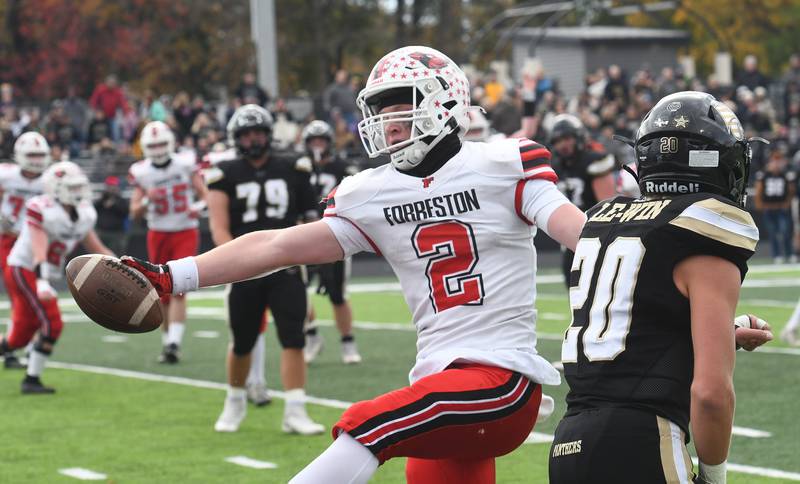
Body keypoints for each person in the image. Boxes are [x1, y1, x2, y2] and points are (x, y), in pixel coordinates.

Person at [122, 45, 589, 484]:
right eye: (380, 108)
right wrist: (171, 276)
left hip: (501, 380)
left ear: (443, 101)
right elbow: (276, 246)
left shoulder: (502, 164)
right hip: (441, 382)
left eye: (398, 103)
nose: (386, 119)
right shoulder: (372, 192)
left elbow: (586, 239)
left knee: (368, 425)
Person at [548, 91, 773, 484]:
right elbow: (710, 393)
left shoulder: (604, 218)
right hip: (642, 442)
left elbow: (636, 332)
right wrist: (714, 477)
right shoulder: (705, 228)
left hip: (568, 444)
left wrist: (725, 333)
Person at [201, 104, 323, 434]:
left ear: (268, 134)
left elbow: (310, 218)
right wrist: (235, 262)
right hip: (245, 268)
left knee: (293, 338)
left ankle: (295, 409)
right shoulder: (223, 173)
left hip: (285, 266)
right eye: (246, 134)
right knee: (242, 341)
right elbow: (219, 228)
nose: (253, 139)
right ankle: (235, 400)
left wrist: (303, 255)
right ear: (236, 138)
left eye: (258, 132)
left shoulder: (293, 167)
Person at [0, 161, 114, 393]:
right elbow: (39, 249)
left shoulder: (85, 213)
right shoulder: (41, 208)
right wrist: (42, 281)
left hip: (40, 274)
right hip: (25, 268)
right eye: (71, 188)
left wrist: (124, 265)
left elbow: (96, 246)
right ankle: (31, 380)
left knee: (19, 337)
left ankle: (24, 368)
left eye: (79, 187)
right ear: (55, 188)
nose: (78, 192)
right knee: (53, 323)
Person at [128, 121, 207, 364]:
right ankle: (167, 343)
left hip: (185, 230)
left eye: (162, 143)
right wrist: (146, 202)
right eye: (154, 145)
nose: (159, 149)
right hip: (159, 232)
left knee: (179, 286)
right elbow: (134, 213)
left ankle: (174, 343)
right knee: (161, 291)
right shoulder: (141, 171)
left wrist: (197, 208)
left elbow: (206, 195)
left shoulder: (184, 163)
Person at [299, 120, 362, 365]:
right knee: (299, 292)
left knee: (337, 294)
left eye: (321, 141)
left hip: (334, 235)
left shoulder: (341, 167)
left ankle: (348, 342)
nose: (317, 146)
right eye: (313, 141)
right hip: (304, 234)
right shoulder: (300, 169)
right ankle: (312, 335)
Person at [0, 132, 52, 369]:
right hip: (7, 240)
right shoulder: (7, 175)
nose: (36, 159)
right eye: (31, 154)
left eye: (40, 154)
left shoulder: (50, 180)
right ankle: (14, 347)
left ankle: (17, 346)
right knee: (17, 296)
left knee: (23, 298)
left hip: (33, 242)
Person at [547, 113, 617, 285]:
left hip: (596, 236)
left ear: (577, 136)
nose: (562, 144)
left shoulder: (593, 161)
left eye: (566, 138)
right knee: (573, 290)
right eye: (557, 140)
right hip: (571, 239)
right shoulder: (555, 166)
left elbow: (609, 206)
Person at [753, 147, 796, 264]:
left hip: (782, 207)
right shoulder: (763, 174)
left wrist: (787, 203)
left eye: (779, 159)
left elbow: (791, 190)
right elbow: (759, 190)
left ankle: (789, 253)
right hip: (769, 207)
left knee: (785, 231)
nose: (776, 163)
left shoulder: (787, 173)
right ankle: (777, 255)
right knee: (773, 233)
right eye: (774, 159)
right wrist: (759, 204)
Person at [93, 176, 129, 256]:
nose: (111, 188)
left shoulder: (121, 200)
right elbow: (94, 209)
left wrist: (114, 205)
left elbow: (125, 212)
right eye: (110, 186)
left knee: (116, 256)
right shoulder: (102, 199)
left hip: (116, 234)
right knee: (99, 255)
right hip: (102, 232)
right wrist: (103, 199)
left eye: (113, 186)